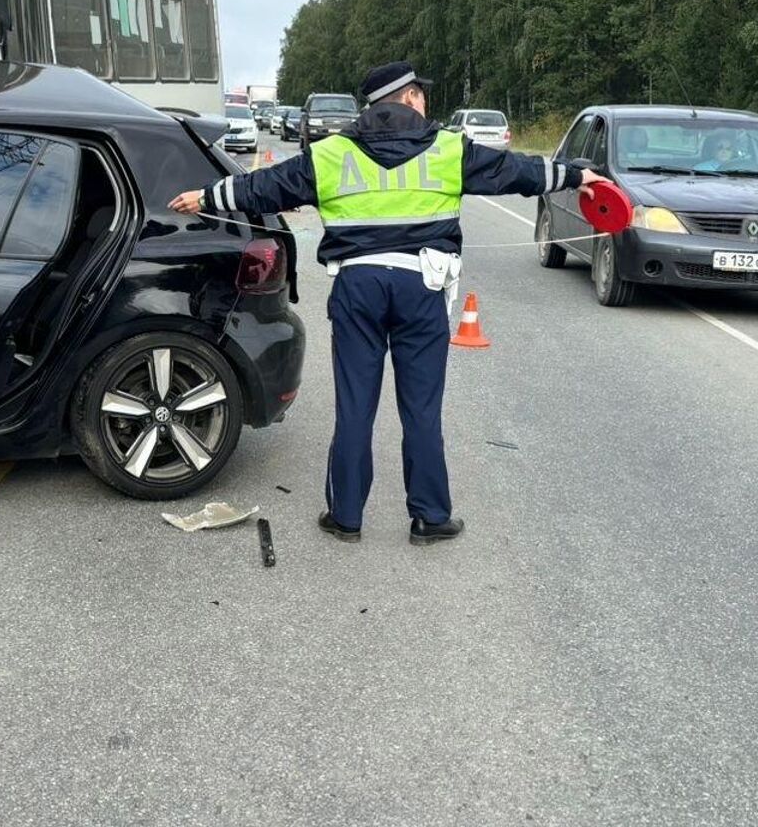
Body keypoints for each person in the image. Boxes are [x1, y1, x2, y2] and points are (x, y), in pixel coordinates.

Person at [169, 62, 601, 545]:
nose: (426, 103)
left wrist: (207, 195)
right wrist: (574, 175)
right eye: (423, 95)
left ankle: (346, 517)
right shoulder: (448, 149)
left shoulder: (332, 153)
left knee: (355, 406)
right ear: (411, 97)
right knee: (421, 409)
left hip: (358, 289)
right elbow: (516, 173)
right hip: (422, 289)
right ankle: (431, 518)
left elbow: (267, 185)